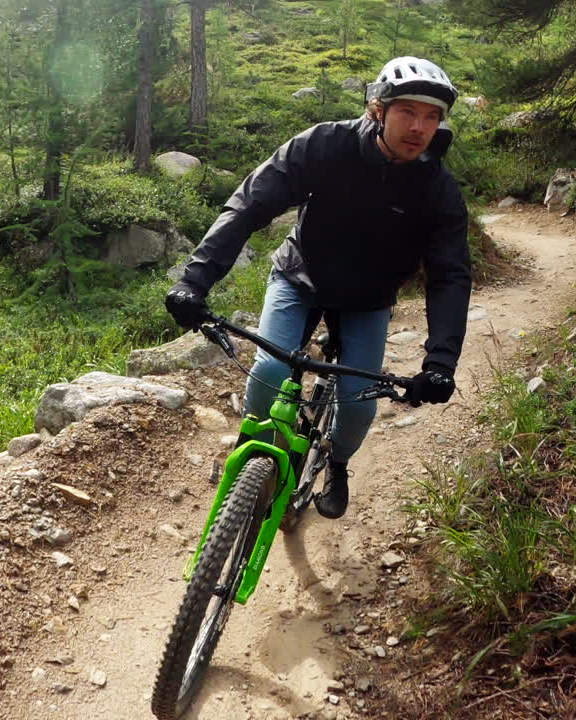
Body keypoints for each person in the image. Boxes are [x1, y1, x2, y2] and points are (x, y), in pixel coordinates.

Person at [165, 56, 472, 520]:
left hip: (368, 299)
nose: (420, 127)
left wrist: (441, 362)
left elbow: (450, 275)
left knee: (356, 406)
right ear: (377, 109)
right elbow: (250, 205)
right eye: (408, 111)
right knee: (269, 372)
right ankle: (254, 454)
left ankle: (339, 463)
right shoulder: (326, 145)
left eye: (432, 117)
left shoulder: (437, 189)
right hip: (300, 276)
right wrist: (194, 282)